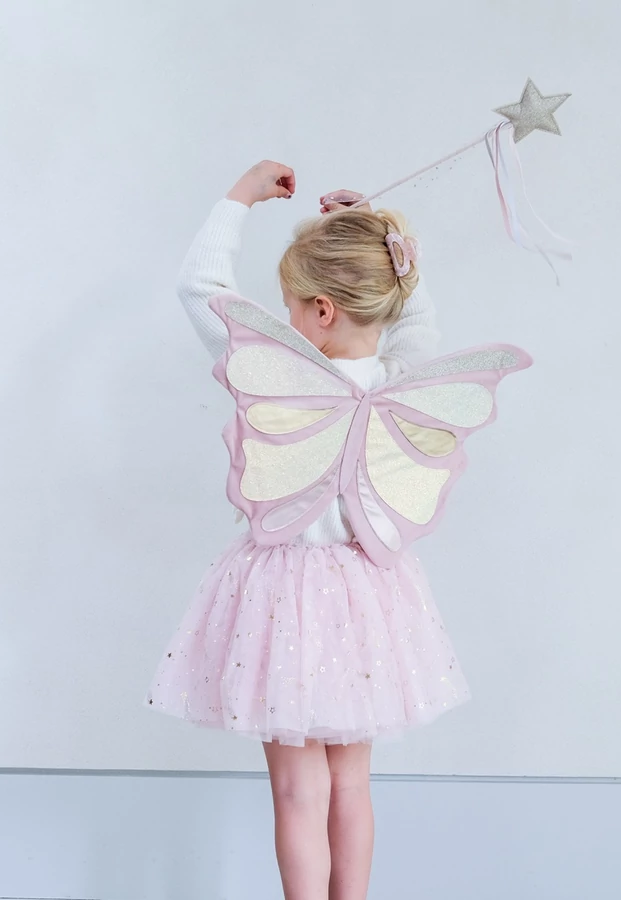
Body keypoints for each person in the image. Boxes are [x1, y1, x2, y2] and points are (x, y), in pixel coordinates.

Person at [147, 160, 525, 900]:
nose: (285, 320)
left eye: (291, 307)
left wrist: (239, 196)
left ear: (321, 310)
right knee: (351, 783)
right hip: (370, 594)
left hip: (281, 595)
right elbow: (417, 320)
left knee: (298, 790)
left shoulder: (275, 371)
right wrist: (380, 238)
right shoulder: (403, 379)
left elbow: (200, 287)